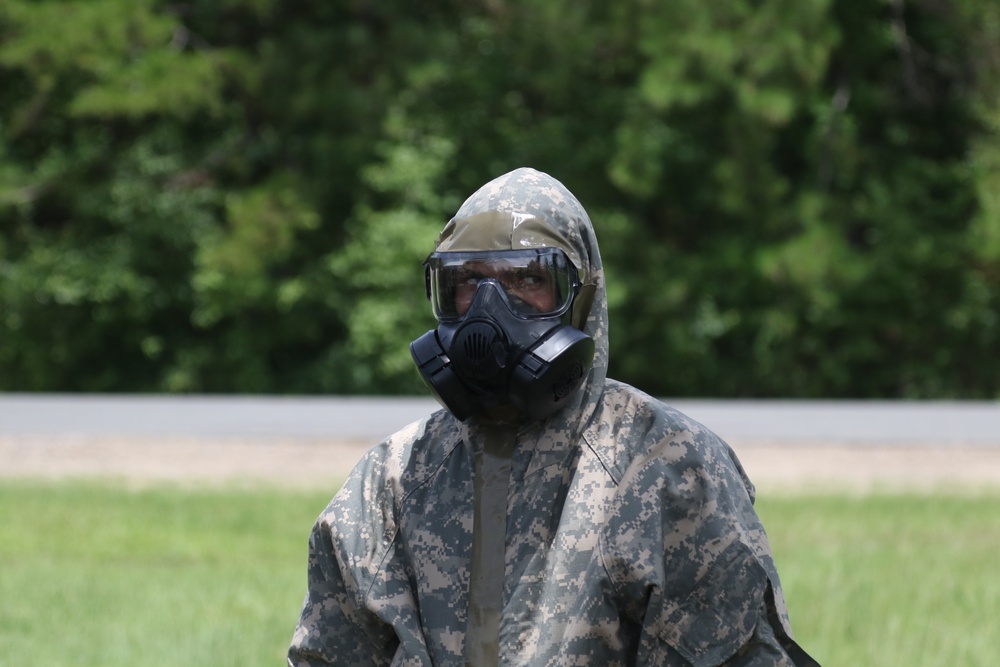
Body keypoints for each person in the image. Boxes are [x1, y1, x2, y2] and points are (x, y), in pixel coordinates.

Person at [288, 167, 819, 666]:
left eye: (527, 281)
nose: (488, 311)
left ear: (581, 300)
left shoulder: (668, 467)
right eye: (467, 282)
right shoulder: (391, 483)